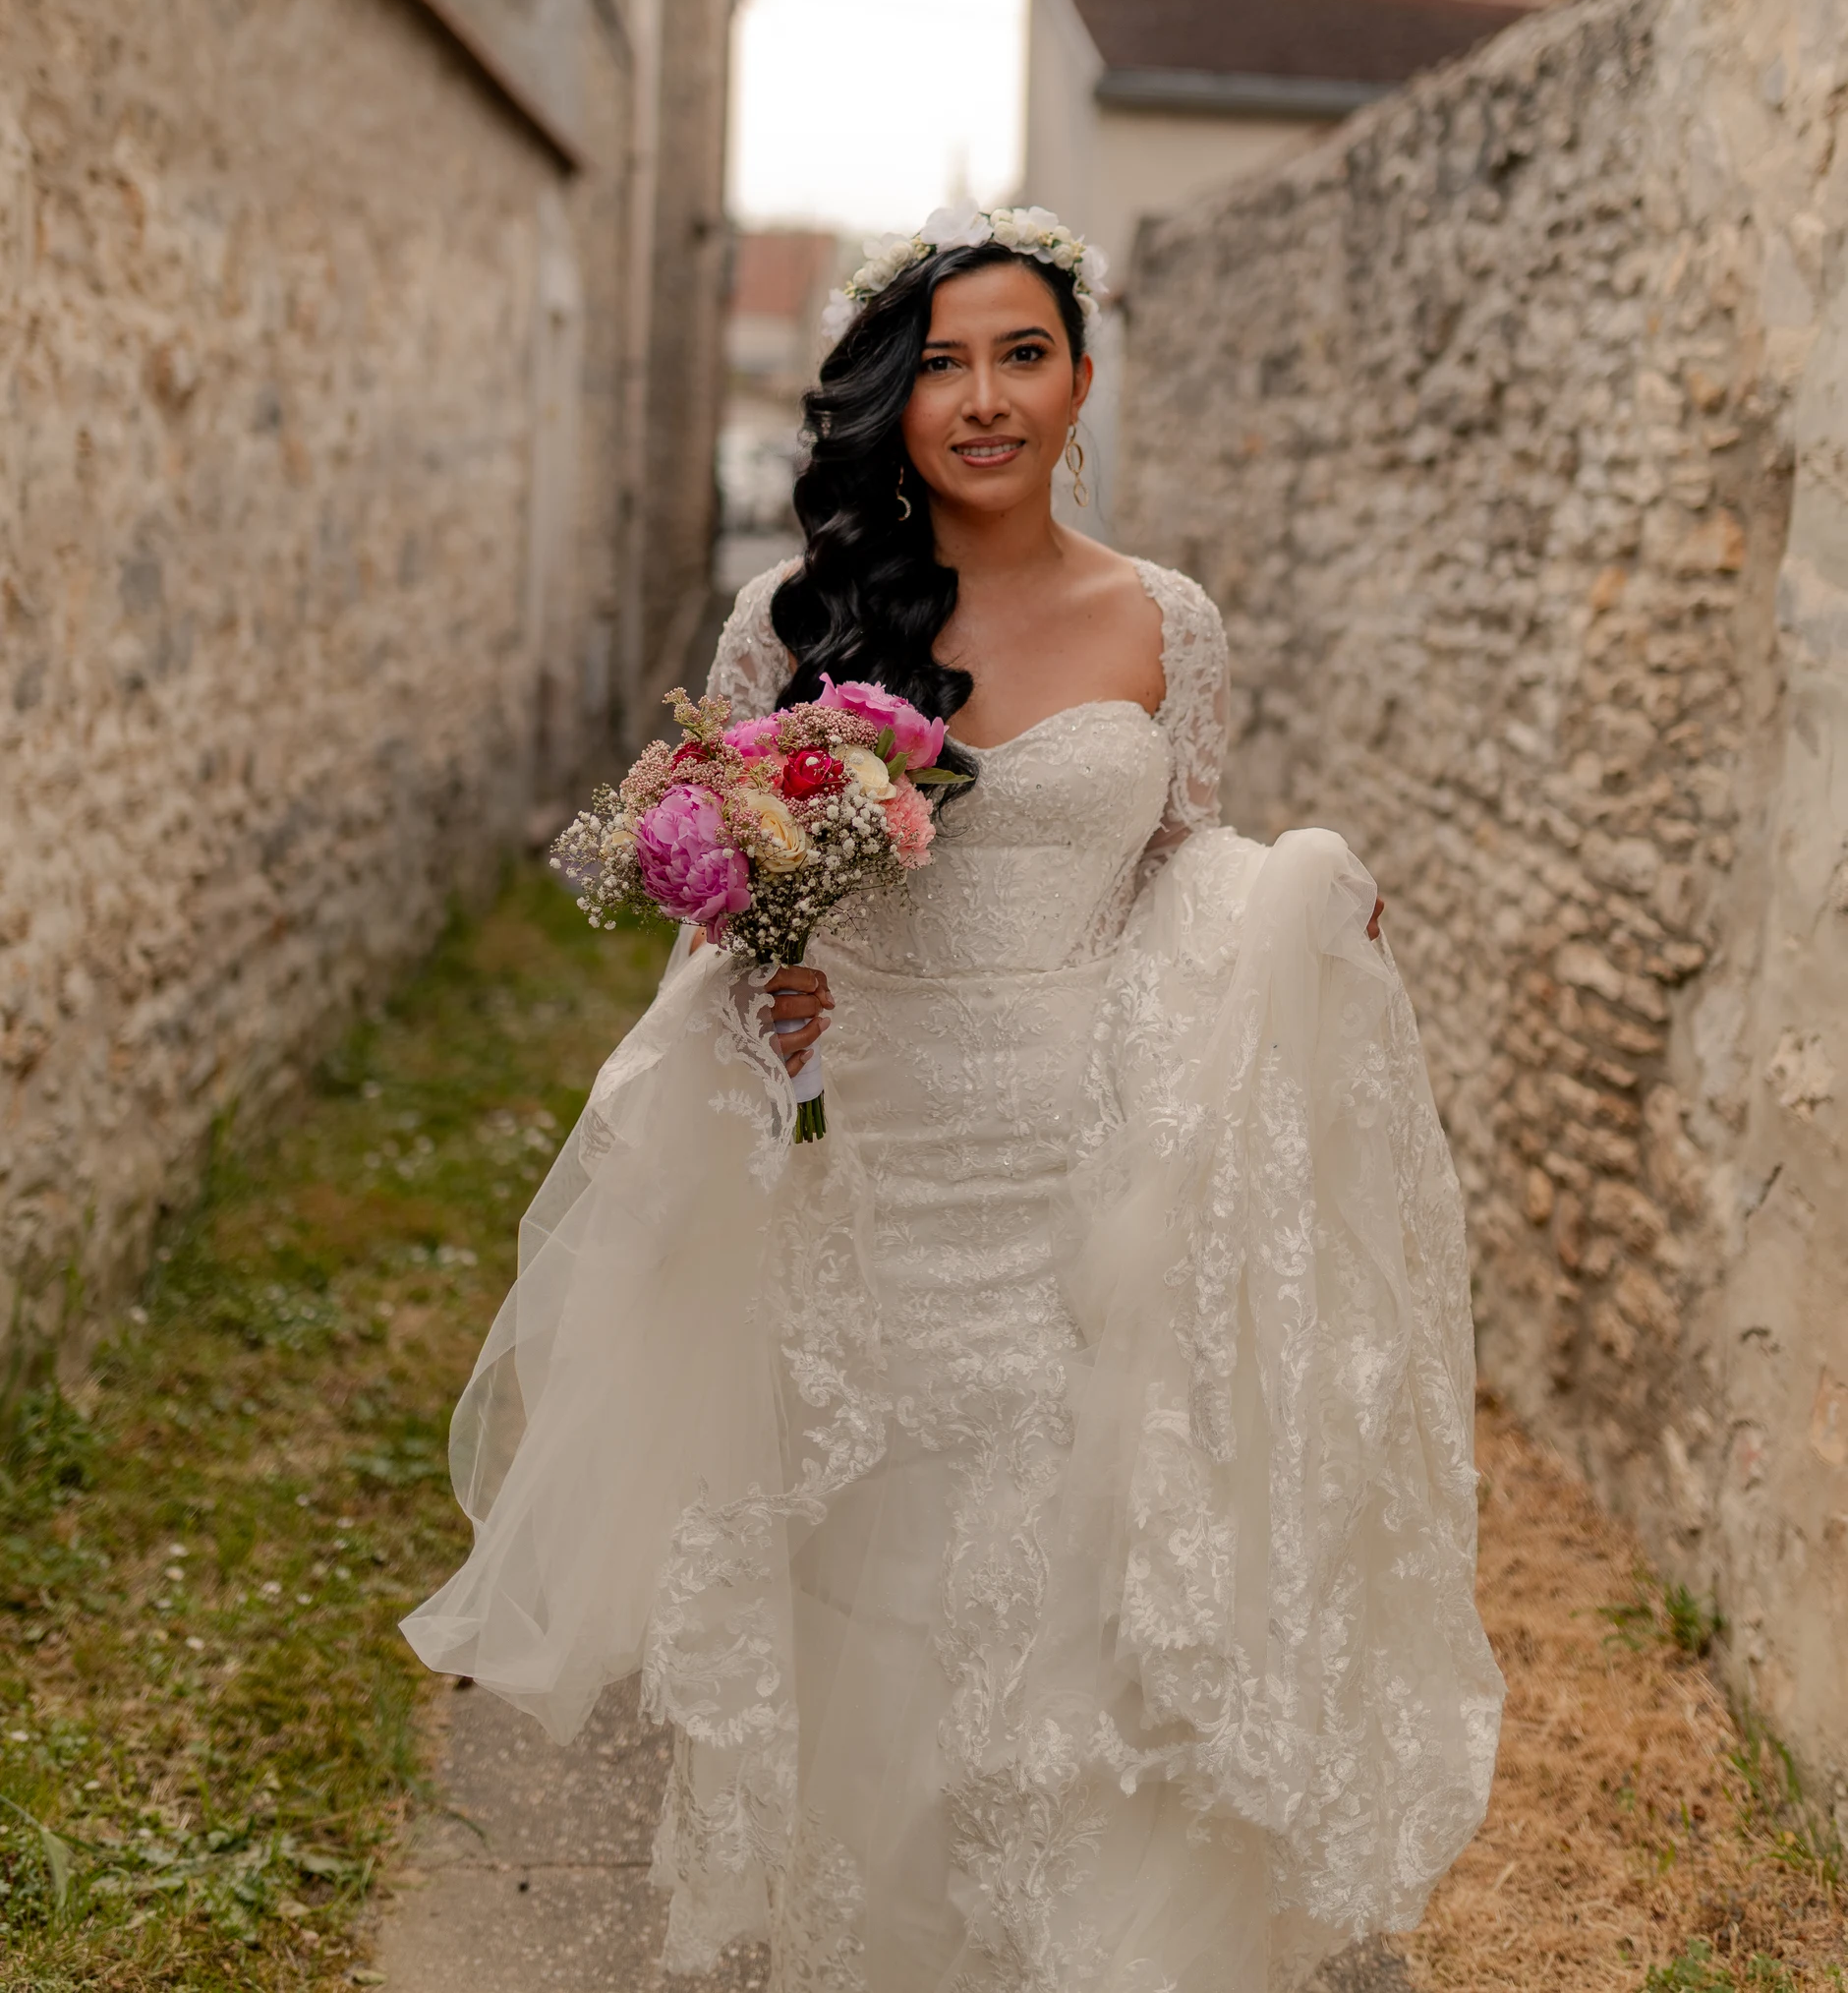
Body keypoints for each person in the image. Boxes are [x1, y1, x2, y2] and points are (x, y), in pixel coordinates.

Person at [404, 203, 1503, 1992]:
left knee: (1075, 1579)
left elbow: (1177, 862)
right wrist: (767, 988)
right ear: (885, 403)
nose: (982, 399)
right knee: (882, 1589)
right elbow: (722, 896)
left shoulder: (1171, 620)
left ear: (1079, 379)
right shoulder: (795, 619)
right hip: (873, 1169)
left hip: (1089, 1163)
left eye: (1021, 355)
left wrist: (1300, 907)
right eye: (937, 366)